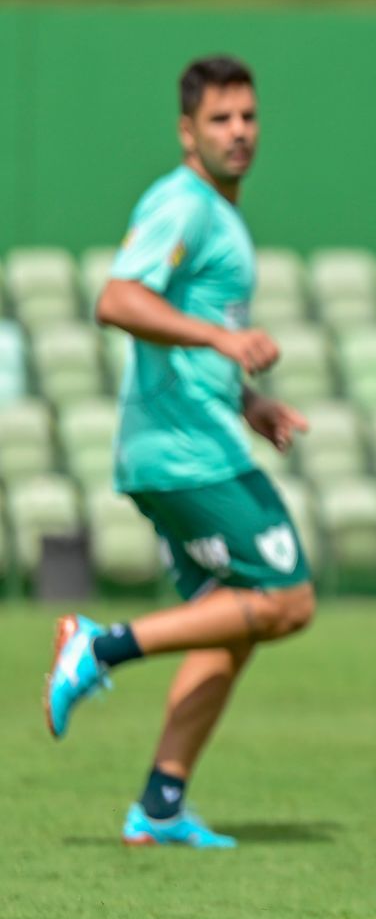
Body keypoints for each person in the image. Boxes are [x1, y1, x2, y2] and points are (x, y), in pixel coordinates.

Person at [42, 55, 316, 849]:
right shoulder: (183, 204)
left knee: (226, 624)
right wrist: (224, 338)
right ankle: (99, 645)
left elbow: (183, 337)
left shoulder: (221, 216)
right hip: (184, 451)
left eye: (248, 117)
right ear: (187, 130)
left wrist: (248, 400)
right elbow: (118, 298)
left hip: (197, 434)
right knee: (288, 598)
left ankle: (161, 802)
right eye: (221, 118)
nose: (238, 132)